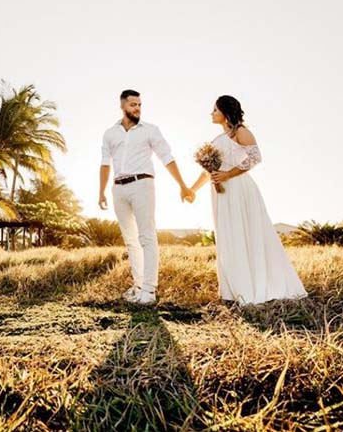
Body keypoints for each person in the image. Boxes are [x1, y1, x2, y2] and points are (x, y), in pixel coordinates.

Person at [188, 95, 307, 305]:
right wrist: (192, 190)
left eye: (215, 110)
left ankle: (254, 287)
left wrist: (227, 175)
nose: (211, 113)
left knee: (246, 232)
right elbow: (207, 171)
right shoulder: (216, 140)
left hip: (238, 187)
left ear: (225, 113)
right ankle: (234, 290)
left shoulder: (240, 132)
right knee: (228, 237)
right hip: (220, 192)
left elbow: (255, 158)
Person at [99, 89, 194, 305]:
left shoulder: (150, 130)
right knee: (130, 240)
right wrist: (101, 191)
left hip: (142, 184)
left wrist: (182, 185)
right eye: (133, 105)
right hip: (118, 188)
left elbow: (167, 157)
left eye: (140, 105)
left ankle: (149, 290)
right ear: (122, 106)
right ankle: (138, 285)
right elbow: (105, 163)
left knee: (147, 237)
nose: (137, 108)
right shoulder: (110, 133)